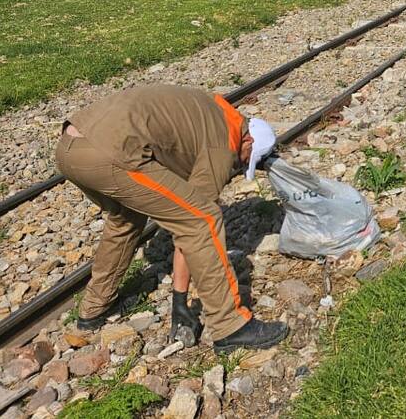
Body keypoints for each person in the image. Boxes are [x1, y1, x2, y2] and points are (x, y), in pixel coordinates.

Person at [55, 85, 288, 353]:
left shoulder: (215, 111)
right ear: (247, 141)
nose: (240, 166)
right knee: (202, 220)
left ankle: (94, 309)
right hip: (109, 152)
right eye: (246, 160)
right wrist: (180, 300)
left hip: (71, 147)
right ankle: (230, 326)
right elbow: (194, 223)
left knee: (125, 217)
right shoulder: (224, 144)